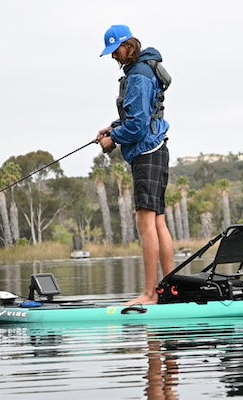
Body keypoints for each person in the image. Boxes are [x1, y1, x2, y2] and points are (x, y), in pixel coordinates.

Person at [95, 25, 174, 305]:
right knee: (158, 221)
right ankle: (169, 291)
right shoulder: (143, 69)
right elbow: (140, 115)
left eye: (116, 50)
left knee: (146, 223)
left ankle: (151, 294)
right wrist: (113, 127)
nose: (114, 56)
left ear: (129, 45)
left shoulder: (139, 76)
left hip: (146, 152)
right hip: (157, 149)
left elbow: (138, 126)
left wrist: (113, 138)